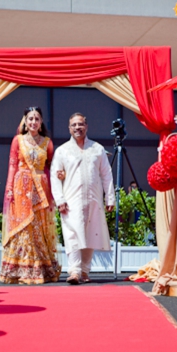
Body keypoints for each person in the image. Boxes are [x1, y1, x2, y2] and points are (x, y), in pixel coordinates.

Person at [51, 113, 115, 284]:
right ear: (69, 128)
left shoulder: (97, 149)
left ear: (86, 126)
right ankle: (74, 271)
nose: (77, 127)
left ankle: (84, 271)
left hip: (93, 198)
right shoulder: (62, 151)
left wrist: (110, 198)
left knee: (90, 234)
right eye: (74, 125)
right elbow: (55, 177)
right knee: (72, 234)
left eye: (80, 124)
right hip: (71, 201)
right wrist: (60, 200)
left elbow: (106, 174)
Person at [0, 106, 60, 285]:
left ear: (41, 123)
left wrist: (51, 194)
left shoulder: (47, 143)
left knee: (38, 225)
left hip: (41, 187)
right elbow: (12, 165)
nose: (33, 122)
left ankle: (40, 268)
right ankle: (19, 269)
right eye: (30, 119)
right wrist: (9, 187)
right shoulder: (18, 140)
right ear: (25, 121)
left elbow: (50, 169)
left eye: (37, 119)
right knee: (23, 226)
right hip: (21, 186)